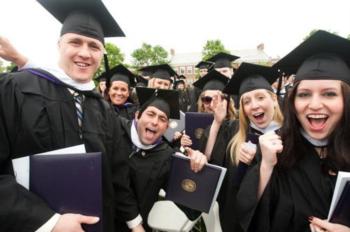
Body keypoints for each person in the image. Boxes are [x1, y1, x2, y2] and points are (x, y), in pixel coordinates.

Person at [0, 0, 125, 231]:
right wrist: (48, 221)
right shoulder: (14, 90)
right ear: (59, 44)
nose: (85, 53)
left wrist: (133, 222)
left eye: (94, 46)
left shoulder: (104, 109)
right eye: (75, 42)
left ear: (102, 53)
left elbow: (116, 174)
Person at [237, 30, 350, 232]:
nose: (314, 105)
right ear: (292, 101)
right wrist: (266, 166)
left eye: (330, 94)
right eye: (304, 94)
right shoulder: (276, 149)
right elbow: (249, 218)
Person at [202, 62, 282, 232]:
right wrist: (217, 122)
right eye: (246, 101)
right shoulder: (234, 131)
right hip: (235, 221)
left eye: (260, 97)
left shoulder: (291, 136)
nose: (254, 105)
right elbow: (209, 156)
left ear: (274, 99)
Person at [114, 87, 207, 232]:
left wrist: (196, 169)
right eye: (150, 114)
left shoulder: (166, 156)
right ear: (137, 116)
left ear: (167, 127)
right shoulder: (115, 132)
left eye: (162, 119)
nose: (155, 122)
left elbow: (193, 205)